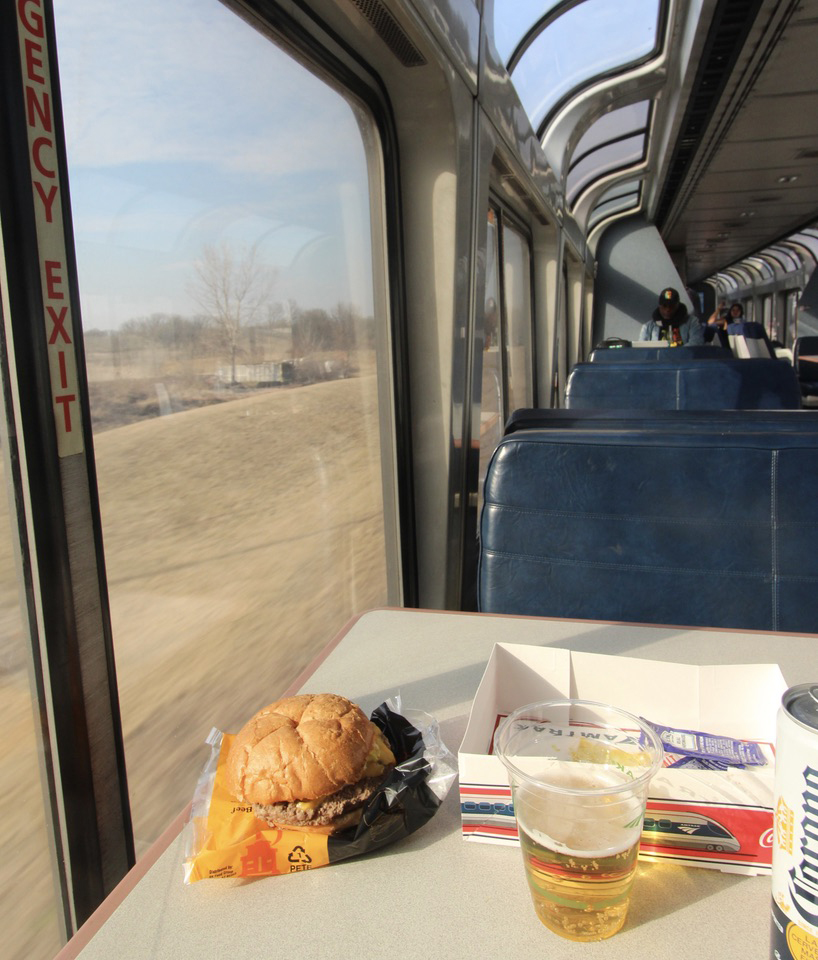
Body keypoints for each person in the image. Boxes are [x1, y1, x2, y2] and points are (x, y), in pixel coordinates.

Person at [639, 287, 705, 345]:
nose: (668, 309)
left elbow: (696, 343)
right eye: (664, 306)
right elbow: (641, 350)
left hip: (682, 359)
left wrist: (676, 355)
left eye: (671, 306)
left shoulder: (692, 323)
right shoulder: (648, 327)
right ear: (659, 306)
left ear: (678, 305)